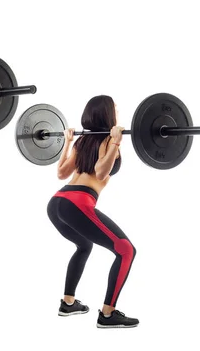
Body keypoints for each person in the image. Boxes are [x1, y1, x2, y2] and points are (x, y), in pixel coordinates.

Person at [46, 95, 139, 329]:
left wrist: (68, 143)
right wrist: (115, 143)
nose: (117, 112)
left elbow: (61, 173)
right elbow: (100, 172)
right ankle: (108, 314)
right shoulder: (108, 141)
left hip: (57, 202)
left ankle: (68, 303)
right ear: (107, 114)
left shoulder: (83, 142)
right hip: (77, 203)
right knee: (126, 250)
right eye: (115, 109)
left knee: (84, 245)